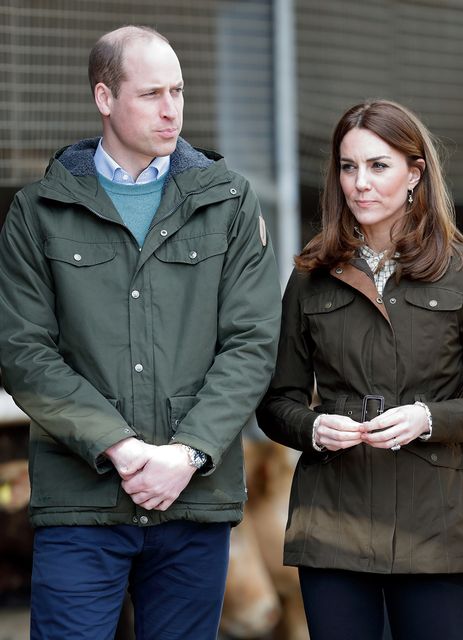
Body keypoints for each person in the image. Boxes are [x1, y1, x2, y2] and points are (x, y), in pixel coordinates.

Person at [0, 26, 281, 639]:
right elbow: (23, 352)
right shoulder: (39, 210)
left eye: (178, 91)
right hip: (81, 504)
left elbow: (253, 342)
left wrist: (185, 454)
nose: (171, 109)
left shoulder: (228, 201)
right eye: (151, 93)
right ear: (104, 98)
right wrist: (121, 449)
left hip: (194, 500)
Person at [256, 100, 463, 640]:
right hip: (332, 518)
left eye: (378, 166)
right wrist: (313, 428)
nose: (359, 184)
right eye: (348, 167)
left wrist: (427, 418)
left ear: (415, 173)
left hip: (435, 524)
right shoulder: (311, 278)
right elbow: (277, 403)